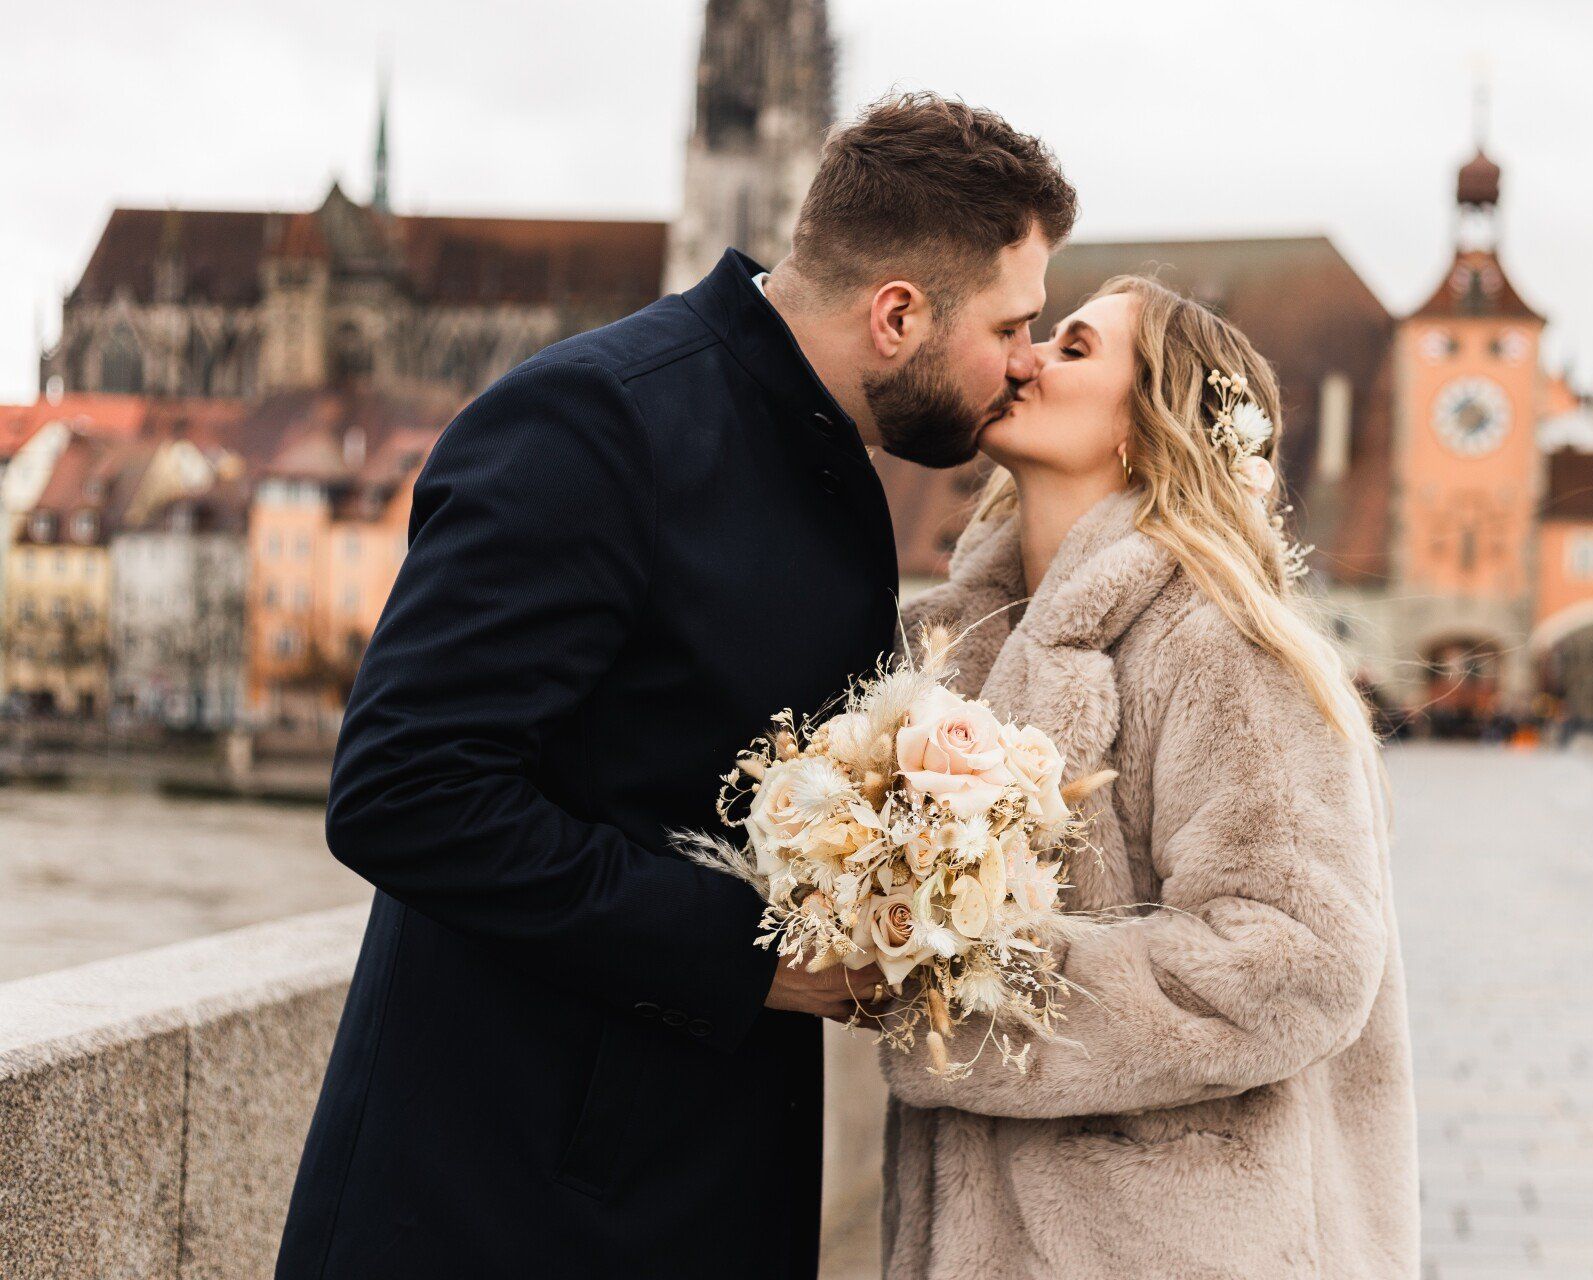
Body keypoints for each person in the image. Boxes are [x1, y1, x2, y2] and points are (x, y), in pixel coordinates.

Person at [273, 92, 1077, 1280]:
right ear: (898, 314)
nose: (1025, 361)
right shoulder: (594, 422)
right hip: (498, 1210)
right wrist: (753, 954)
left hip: (696, 1191)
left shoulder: (832, 460)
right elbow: (404, 789)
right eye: (1013, 324)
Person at [879, 276, 1419, 1278]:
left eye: (1075, 347)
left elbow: (1298, 960)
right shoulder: (958, 649)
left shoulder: (1216, 640)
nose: (1027, 358)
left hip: (1166, 1240)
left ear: (1148, 423)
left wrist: (965, 1005)